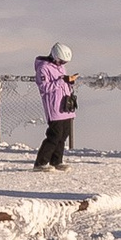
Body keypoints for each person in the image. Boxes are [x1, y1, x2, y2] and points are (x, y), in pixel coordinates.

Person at [33, 43, 77, 173]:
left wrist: (69, 81)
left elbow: (62, 82)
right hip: (54, 107)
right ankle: (40, 162)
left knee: (63, 135)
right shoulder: (43, 68)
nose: (62, 64)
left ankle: (56, 161)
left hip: (65, 106)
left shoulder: (61, 68)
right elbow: (44, 87)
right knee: (54, 135)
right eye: (61, 61)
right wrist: (62, 80)